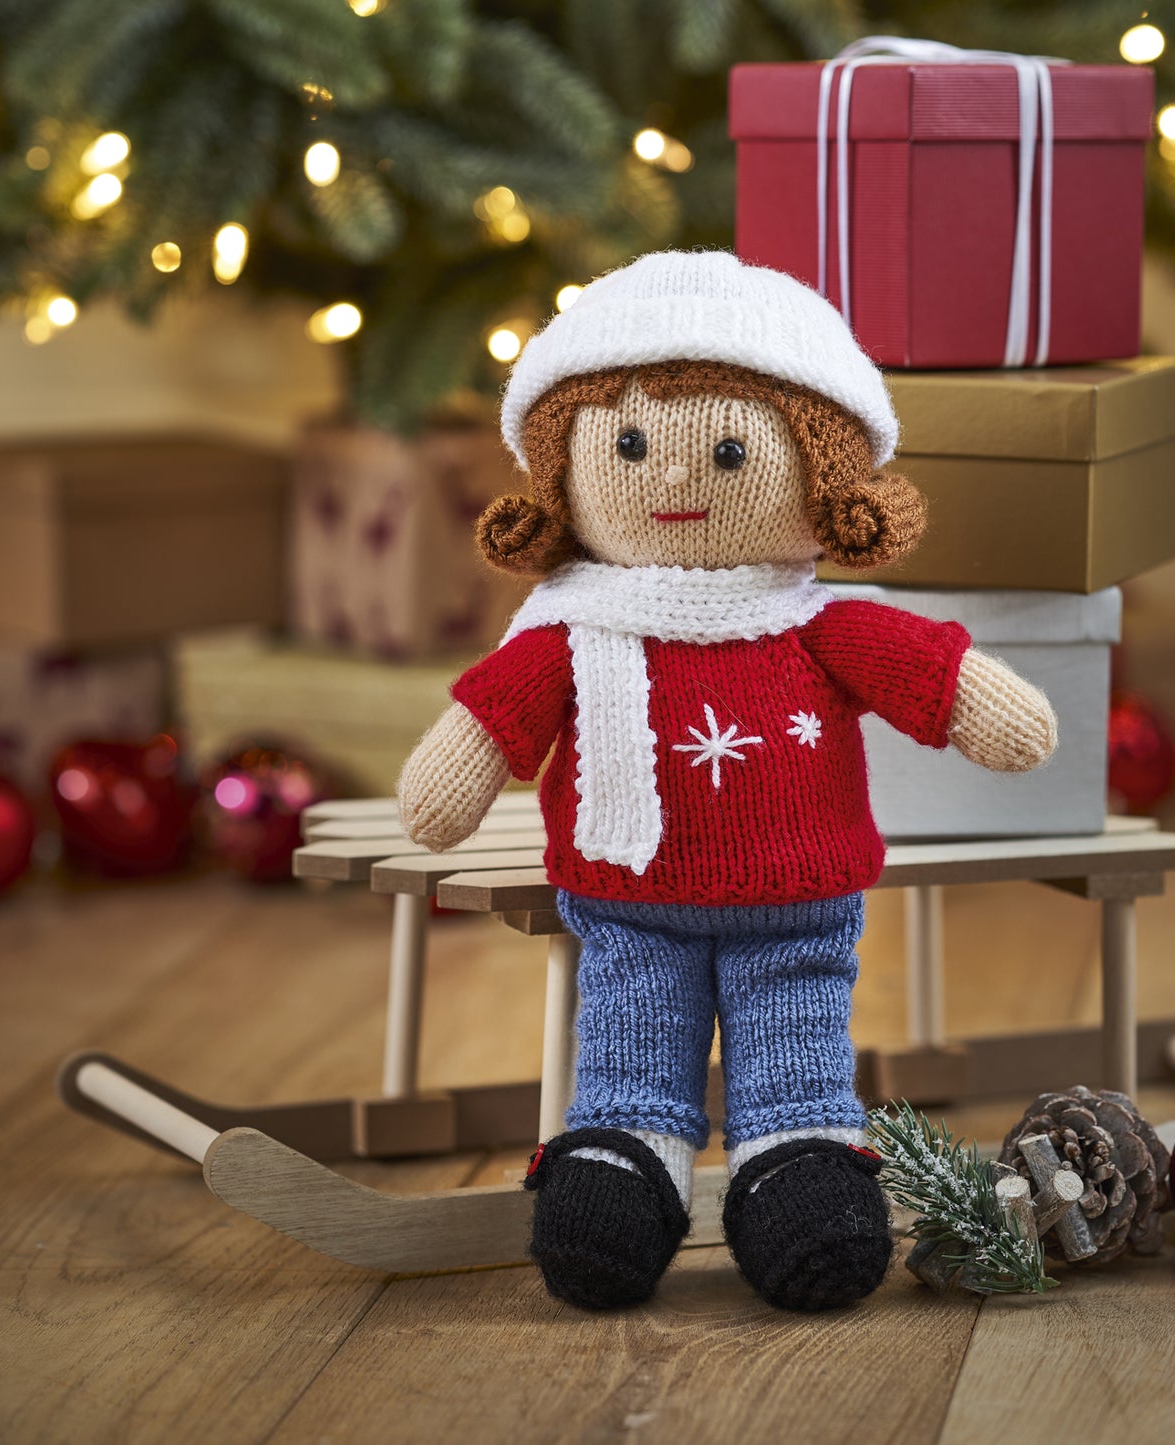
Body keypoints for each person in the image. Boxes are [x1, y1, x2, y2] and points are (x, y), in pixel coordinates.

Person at [398, 250, 1057, 1312]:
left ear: (821, 473)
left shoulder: (821, 627)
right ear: (564, 474)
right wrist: (452, 772)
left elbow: (936, 678)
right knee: (625, 1059)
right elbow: (489, 718)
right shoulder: (573, 631)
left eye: (721, 450)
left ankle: (795, 1155)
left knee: (797, 1057)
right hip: (630, 910)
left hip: (796, 912)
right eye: (625, 445)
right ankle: (623, 1156)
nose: (667, 479)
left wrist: (990, 710)